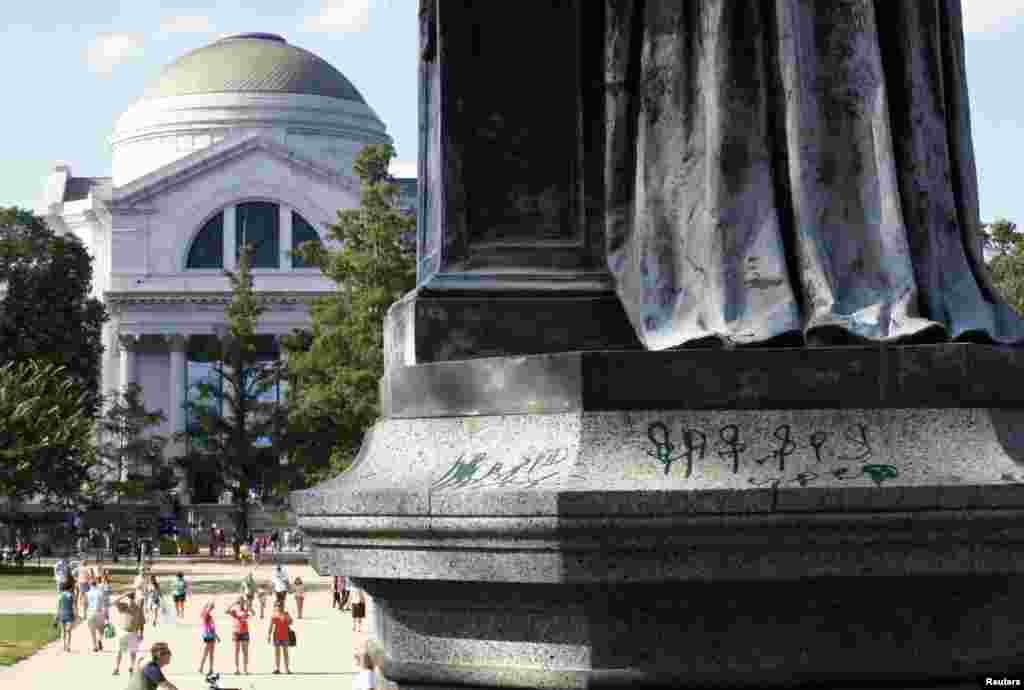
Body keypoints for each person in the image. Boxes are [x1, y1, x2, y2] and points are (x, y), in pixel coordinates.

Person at [113, 590, 146, 675]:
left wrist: (141, 634)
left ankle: (124, 668)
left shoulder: (133, 607)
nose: (130, 599)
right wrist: (124, 594)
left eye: (130, 598)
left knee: (126, 651)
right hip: (128, 632)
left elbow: (141, 622)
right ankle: (123, 668)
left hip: (128, 632)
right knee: (126, 651)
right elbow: (114, 602)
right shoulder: (127, 606)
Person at [84, 569, 110, 652]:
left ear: (90, 585)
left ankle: (94, 646)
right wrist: (106, 614)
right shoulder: (100, 592)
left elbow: (85, 604)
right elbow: (104, 604)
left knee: (92, 632)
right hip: (99, 612)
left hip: (90, 613)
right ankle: (100, 639)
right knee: (101, 630)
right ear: (96, 584)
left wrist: (85, 614)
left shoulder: (87, 593)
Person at [226, 597, 251, 675]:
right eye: (240, 602)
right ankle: (237, 669)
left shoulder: (246, 611)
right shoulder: (235, 611)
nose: (241, 604)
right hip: (236, 632)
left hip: (245, 632)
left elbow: (253, 613)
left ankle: (245, 669)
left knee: (245, 652)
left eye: (242, 602)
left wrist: (247, 605)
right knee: (236, 651)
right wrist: (233, 603)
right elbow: (226, 611)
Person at [266, 601, 292, 674]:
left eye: (280, 606)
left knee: (285, 653)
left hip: (285, 636)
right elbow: (271, 626)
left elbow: (291, 622)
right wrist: (268, 635)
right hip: (276, 636)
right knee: (277, 653)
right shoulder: (274, 615)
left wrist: (288, 618)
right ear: (276, 607)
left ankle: (287, 669)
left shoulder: (286, 614)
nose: (279, 607)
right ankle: (277, 668)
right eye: (278, 606)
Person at [197, 600, 219, 675]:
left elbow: (212, 628)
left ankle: (210, 669)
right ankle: (201, 667)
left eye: (212, 607)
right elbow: (203, 610)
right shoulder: (206, 615)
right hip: (208, 635)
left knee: (210, 653)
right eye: (211, 607)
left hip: (210, 635)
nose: (211, 609)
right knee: (206, 653)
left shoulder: (208, 616)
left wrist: (216, 636)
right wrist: (207, 604)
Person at [55, 579, 76, 652]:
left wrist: (56, 617)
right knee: (68, 631)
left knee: (63, 631)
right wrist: (75, 615)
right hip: (69, 614)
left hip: (62, 614)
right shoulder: (71, 595)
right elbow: (73, 606)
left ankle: (64, 645)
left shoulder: (60, 595)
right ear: (69, 588)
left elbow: (58, 607)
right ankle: (68, 646)